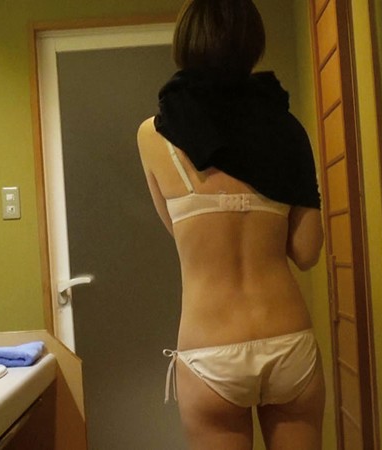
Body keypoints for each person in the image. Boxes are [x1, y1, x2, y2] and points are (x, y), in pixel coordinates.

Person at [136, 0, 325, 449]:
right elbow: (307, 252)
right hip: (287, 340)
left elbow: (179, 233)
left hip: (210, 350)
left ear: (186, 41)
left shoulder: (154, 134)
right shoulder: (286, 129)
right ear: (252, 43)